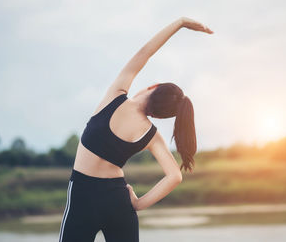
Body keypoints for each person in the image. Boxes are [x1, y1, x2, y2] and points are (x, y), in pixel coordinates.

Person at [58, 16, 213, 242]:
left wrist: (180, 23)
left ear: (154, 86)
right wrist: (138, 203)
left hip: (82, 195)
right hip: (118, 200)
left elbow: (145, 52)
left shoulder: (116, 94)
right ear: (161, 115)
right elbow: (175, 176)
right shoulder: (151, 135)